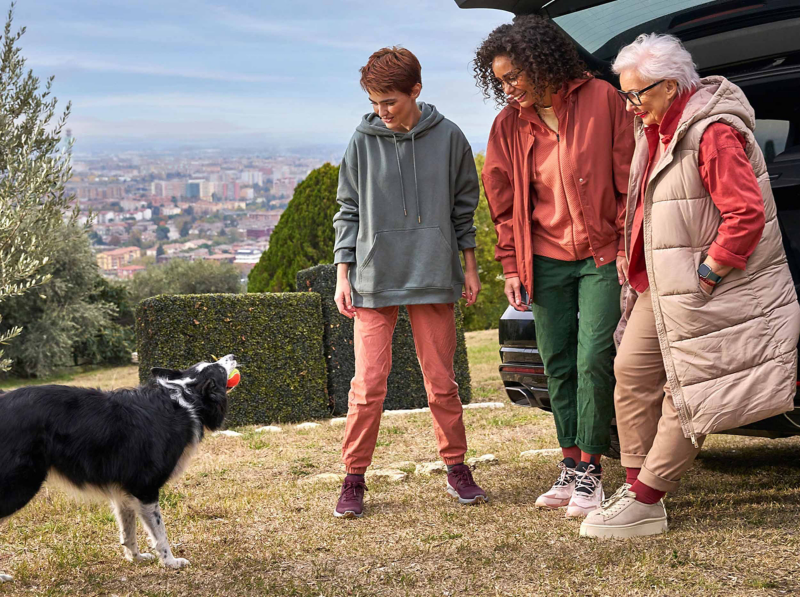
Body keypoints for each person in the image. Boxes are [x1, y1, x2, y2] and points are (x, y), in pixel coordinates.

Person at [581, 33, 800, 539]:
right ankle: (636, 492)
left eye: (639, 94)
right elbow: (643, 205)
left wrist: (709, 273)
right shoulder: (655, 128)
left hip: (705, 285)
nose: (632, 105)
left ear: (674, 84)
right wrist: (626, 253)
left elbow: (745, 216)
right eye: (626, 95)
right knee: (630, 373)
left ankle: (648, 494)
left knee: (692, 388)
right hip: (658, 285)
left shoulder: (712, 132)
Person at [474, 16, 634, 517]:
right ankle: (569, 465)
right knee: (556, 362)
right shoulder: (507, 125)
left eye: (514, 76)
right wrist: (511, 265)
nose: (508, 87)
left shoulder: (603, 100)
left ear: (541, 63)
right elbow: (502, 205)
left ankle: (591, 471)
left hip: (602, 254)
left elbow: (630, 176)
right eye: (499, 80)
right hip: (543, 260)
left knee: (593, 358)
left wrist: (630, 241)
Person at [331, 47, 487, 519]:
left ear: (415, 90)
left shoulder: (451, 137)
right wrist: (343, 273)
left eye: (390, 101)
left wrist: (471, 266)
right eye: (376, 101)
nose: (381, 110)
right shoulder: (361, 141)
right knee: (368, 384)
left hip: (434, 273)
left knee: (441, 382)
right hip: (374, 277)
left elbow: (464, 209)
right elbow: (348, 210)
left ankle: (456, 467)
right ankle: (353, 477)